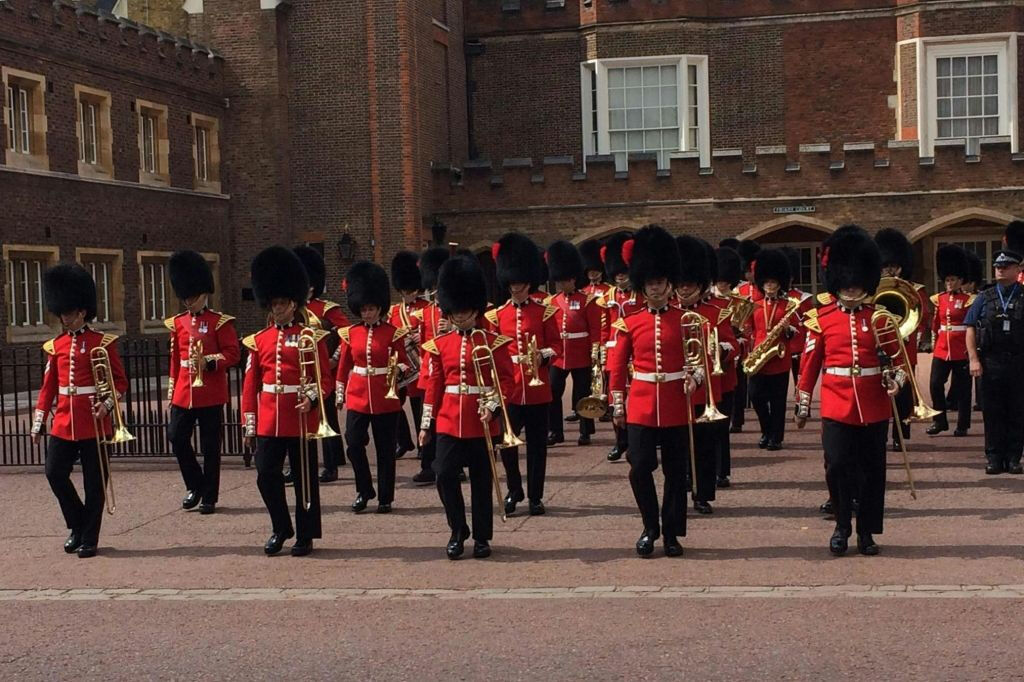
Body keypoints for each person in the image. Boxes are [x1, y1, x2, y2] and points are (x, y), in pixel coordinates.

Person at [796, 225, 904, 556]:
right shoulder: (822, 318)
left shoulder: (881, 318)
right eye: (847, 282)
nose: (853, 288)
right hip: (837, 402)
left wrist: (895, 382)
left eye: (858, 282)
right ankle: (842, 525)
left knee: (873, 471)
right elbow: (811, 362)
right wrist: (803, 400)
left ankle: (866, 531)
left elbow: (899, 364)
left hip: (872, 403)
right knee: (837, 465)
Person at [609, 225, 701, 557]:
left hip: (676, 402)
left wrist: (696, 378)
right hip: (643, 404)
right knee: (640, 466)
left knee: (677, 473)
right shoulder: (630, 322)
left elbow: (699, 359)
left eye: (661, 283)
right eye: (650, 284)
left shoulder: (688, 320)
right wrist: (617, 404)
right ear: (642, 286)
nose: (656, 289)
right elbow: (618, 367)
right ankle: (650, 525)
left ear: (669, 284)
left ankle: (672, 531)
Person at [419, 256, 515, 559]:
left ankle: (482, 537)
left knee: (481, 482)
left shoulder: (494, 342)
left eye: (466, 313)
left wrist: (493, 408)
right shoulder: (439, 344)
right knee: (444, 474)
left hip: (482, 421)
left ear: (476, 310)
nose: (461, 318)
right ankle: (457, 529)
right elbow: (433, 386)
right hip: (449, 418)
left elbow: (506, 382)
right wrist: (425, 424)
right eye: (456, 313)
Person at [32, 264, 129, 559]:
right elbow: (49, 387)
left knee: (94, 483)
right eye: (62, 313)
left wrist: (108, 405)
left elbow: (120, 382)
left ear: (83, 312)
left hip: (94, 421)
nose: (64, 318)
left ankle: (89, 537)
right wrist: (38, 420)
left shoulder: (102, 343)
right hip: (64, 421)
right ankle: (77, 524)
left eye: (69, 313)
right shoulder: (56, 346)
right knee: (54, 473)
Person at [242, 246, 332, 557]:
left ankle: (305, 535)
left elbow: (325, 378)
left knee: (305, 479)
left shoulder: (310, 336)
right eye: (274, 303)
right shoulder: (259, 341)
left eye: (282, 303)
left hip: (300, 416)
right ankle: (281, 527)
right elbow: (250, 384)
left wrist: (311, 398)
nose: (278, 308)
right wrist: (249, 424)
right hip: (269, 418)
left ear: (293, 304)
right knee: (266, 474)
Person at [486, 233, 559, 516]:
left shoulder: (544, 312)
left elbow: (557, 346)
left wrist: (542, 355)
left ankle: (536, 496)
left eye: (520, 284)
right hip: (511, 389)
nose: (516, 288)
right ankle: (514, 488)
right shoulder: (497, 315)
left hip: (538, 388)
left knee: (538, 448)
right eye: (512, 284)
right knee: (507, 443)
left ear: (529, 283)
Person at [165, 250, 240, 515]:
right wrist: (172, 388)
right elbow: (175, 359)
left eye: (192, 296)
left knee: (210, 447)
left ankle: (209, 496)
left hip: (210, 391)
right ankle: (195, 484)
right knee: (176, 437)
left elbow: (233, 353)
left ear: (204, 294)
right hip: (185, 391)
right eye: (185, 297)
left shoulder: (219, 322)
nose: (188, 301)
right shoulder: (178, 323)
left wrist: (210, 361)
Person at [336, 262, 411, 514]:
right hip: (357, 396)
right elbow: (343, 366)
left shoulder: (394, 333)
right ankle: (364, 489)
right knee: (354, 443)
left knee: (385, 450)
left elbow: (405, 363)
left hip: (384, 397)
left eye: (371, 308)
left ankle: (385, 497)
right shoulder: (350, 333)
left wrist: (398, 369)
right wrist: (339, 393)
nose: (367, 313)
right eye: (364, 309)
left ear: (379, 308)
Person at [674, 236, 737, 513]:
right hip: (676, 387)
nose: (684, 289)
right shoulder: (667, 313)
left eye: (690, 284)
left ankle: (702, 493)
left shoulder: (717, 312)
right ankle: (684, 481)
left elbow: (732, 346)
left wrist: (720, 349)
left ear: (700, 285)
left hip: (707, 385)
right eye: (681, 284)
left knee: (704, 444)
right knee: (678, 444)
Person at [293, 245, 350, 483]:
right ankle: (301, 463)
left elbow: (347, 335)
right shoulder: (293, 310)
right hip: (300, 373)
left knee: (326, 418)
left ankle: (331, 464)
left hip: (323, 369)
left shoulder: (326, 309)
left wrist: (334, 359)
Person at [965, 246, 1024, 475]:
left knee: (1017, 411)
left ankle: (1013, 457)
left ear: (1018, 269)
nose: (1000, 270)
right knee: (992, 412)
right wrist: (973, 359)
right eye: (998, 267)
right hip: (991, 362)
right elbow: (970, 328)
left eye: (1005, 267)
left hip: (1019, 362)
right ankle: (994, 456)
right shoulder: (984, 297)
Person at [875, 228, 931, 449]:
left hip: (903, 347)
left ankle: (900, 435)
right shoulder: (873, 289)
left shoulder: (914, 289)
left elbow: (922, 314)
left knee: (903, 394)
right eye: (886, 265)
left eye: (894, 266)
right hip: (879, 346)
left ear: (902, 267)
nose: (890, 270)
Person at [545, 240, 603, 447]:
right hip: (559, 355)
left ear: (573, 279)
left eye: (564, 281)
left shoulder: (587, 300)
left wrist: (595, 352)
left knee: (582, 393)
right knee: (553, 391)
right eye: (558, 281)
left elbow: (595, 329)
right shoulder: (551, 302)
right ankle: (555, 431)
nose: (561, 285)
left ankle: (585, 431)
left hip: (581, 353)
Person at [746, 248, 795, 451]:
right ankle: (766, 429)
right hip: (759, 355)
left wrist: (788, 329)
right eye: (767, 283)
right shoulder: (755, 305)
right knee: (755, 396)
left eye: (774, 283)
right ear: (762, 284)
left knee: (777, 401)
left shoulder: (788, 305)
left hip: (779, 357)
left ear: (779, 284)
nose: (770, 287)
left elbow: (797, 332)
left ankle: (776, 437)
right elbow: (748, 328)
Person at [601, 233, 644, 461]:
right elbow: (604, 326)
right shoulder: (608, 295)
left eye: (623, 272)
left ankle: (639, 438)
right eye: (617, 273)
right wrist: (601, 353)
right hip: (615, 351)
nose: (620, 277)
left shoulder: (640, 293)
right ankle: (620, 441)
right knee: (614, 398)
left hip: (636, 350)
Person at [410, 246, 451, 485]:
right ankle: (428, 464)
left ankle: (451, 462)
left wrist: (452, 329)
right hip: (430, 371)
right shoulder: (426, 314)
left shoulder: (453, 312)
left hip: (449, 371)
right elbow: (422, 342)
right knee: (427, 418)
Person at [926, 245, 973, 438]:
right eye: (946, 280)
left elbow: (971, 326)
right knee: (935, 384)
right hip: (942, 348)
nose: (949, 283)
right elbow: (936, 325)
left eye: (952, 279)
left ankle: (962, 425)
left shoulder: (969, 299)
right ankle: (940, 420)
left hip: (961, 349)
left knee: (963, 390)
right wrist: (933, 343)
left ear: (960, 280)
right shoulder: (939, 299)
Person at [388, 251, 428, 460]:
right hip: (402, 364)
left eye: (411, 289)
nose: (408, 293)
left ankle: (423, 444)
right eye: (404, 290)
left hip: (420, 364)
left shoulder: (426, 308)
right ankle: (403, 440)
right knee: (392, 403)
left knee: (417, 404)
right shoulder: (394, 311)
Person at [713, 245, 744, 486]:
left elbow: (732, 344)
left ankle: (721, 471)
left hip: (722, 376)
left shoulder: (729, 305)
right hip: (694, 380)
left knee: (721, 427)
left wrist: (726, 348)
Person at [731, 239, 761, 432]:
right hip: (742, 342)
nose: (749, 274)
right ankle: (738, 419)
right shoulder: (739, 291)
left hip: (757, 341)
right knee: (739, 384)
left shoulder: (762, 291)